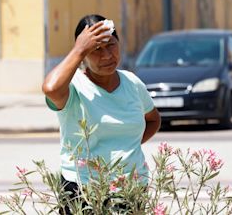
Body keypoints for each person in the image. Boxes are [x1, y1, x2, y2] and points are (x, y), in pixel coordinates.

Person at [42, 14, 161, 213]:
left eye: (111, 45)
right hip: (83, 189)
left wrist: (125, 147)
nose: (106, 55)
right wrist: (79, 49)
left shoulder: (132, 83)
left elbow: (153, 119)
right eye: (96, 49)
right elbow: (51, 88)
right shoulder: (73, 87)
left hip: (131, 189)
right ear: (83, 53)